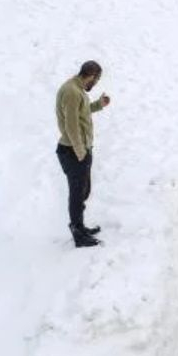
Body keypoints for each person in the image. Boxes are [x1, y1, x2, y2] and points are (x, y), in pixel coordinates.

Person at [56, 60, 111, 248]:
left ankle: (80, 226)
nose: (94, 85)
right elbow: (71, 125)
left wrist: (98, 104)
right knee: (77, 193)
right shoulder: (72, 92)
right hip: (73, 151)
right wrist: (80, 152)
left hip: (79, 150)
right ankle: (78, 233)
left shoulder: (76, 89)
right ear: (91, 76)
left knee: (83, 191)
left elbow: (82, 113)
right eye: (95, 81)